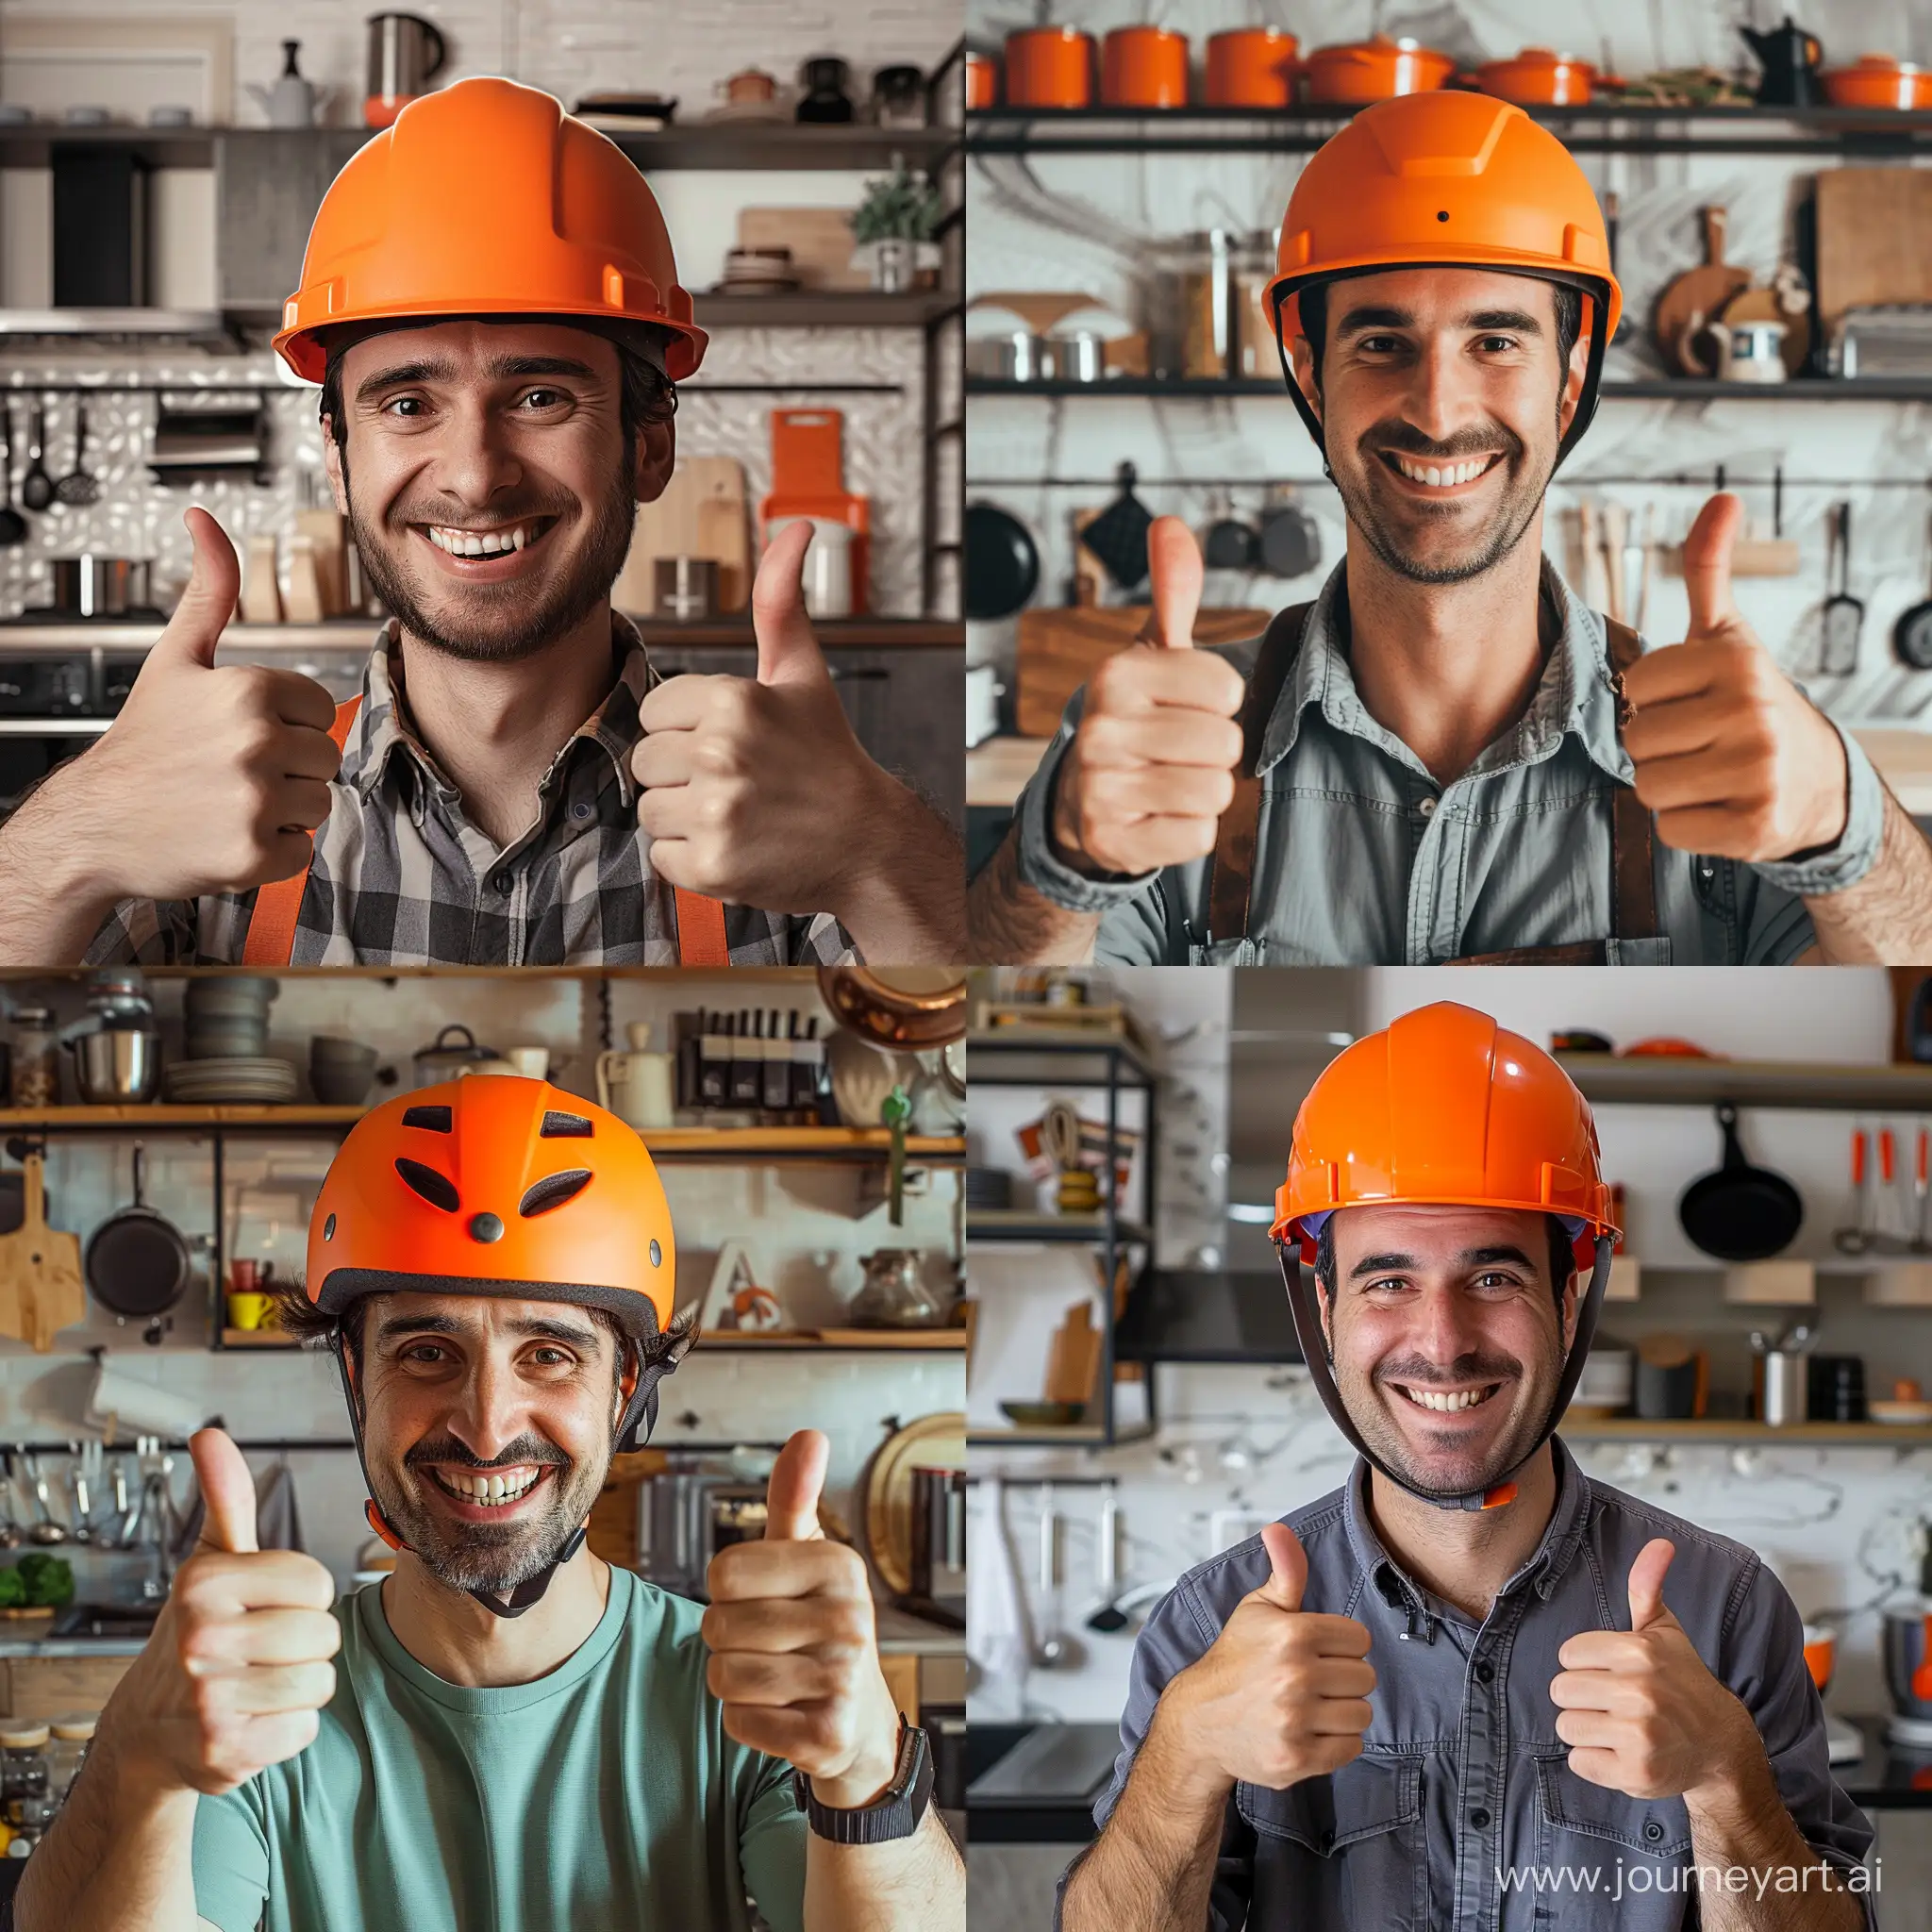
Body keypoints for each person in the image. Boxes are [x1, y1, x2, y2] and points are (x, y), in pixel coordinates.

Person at [0, 78, 963, 969]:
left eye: (540, 396)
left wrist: (885, 855)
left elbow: (985, 1115)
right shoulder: (208, 823)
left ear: (648, 445)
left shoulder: (792, 828)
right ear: (338, 461)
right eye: (408, 404)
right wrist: (68, 843)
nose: (474, 477)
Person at [969, 91, 1932, 966]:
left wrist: (1836, 822)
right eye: (1380, 341)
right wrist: (1062, 866)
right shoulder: (1164, 737)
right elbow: (1002, 1005)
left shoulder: (1732, 747)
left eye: (1495, 340)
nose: (1435, 408)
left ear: (1567, 378)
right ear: (1311, 376)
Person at [19, 1074, 963, 1932]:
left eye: (548, 1351)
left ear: (624, 1384)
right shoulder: (264, 1699)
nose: (483, 1425)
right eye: (427, 1350)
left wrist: (866, 1770)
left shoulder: (743, 1686)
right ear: (356, 1374)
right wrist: (141, 1768)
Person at [1058, 1003, 1873, 1931]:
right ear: (1322, 1305)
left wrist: (1729, 1784)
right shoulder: (1211, 1622)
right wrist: (1185, 1754)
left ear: (1568, 1298)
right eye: (1387, 1279)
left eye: (1493, 1276)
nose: (1442, 1345)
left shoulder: (1724, 1608)